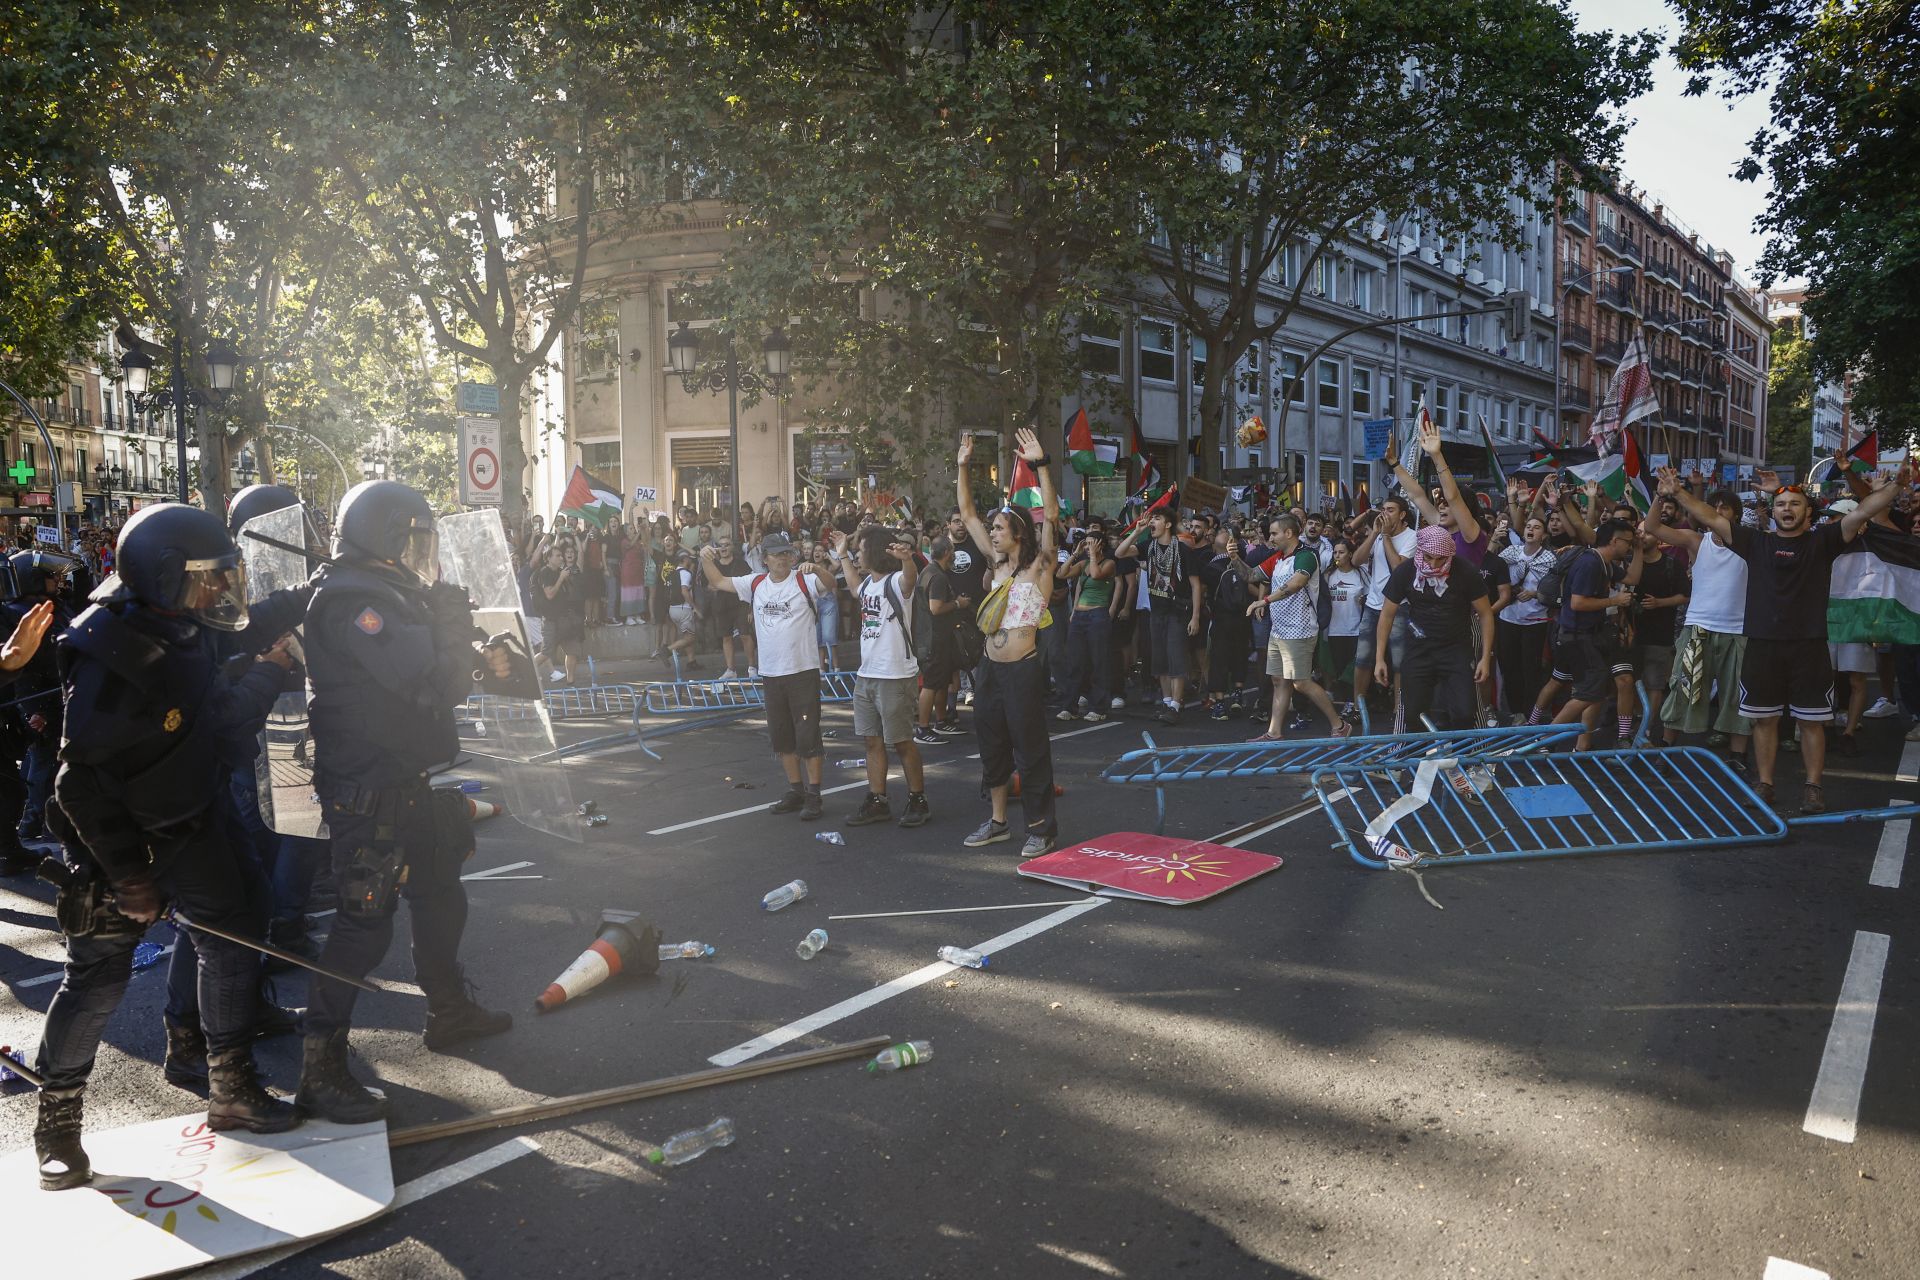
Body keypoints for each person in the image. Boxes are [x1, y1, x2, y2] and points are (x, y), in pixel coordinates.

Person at [33, 505, 299, 1191]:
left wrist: (308, 594)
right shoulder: (113, 653)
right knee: (97, 979)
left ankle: (230, 1086)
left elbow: (236, 632)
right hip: (119, 844)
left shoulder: (178, 620)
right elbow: (76, 784)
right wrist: (128, 877)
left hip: (191, 820)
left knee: (233, 936)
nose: (220, 591)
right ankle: (57, 1128)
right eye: (208, 578)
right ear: (164, 575)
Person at [297, 480, 510, 1125]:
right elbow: (431, 683)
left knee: (441, 888)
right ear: (382, 538)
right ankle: (320, 1068)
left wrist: (468, 639)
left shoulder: (386, 590)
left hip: (403, 777)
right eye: (413, 541)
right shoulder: (355, 600)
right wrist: (452, 630)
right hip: (366, 790)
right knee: (362, 926)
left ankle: (448, 1009)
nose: (423, 554)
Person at [1659, 464, 1898, 812]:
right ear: (1773, 512)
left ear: (1808, 512)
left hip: (1809, 646)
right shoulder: (1755, 542)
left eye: (1795, 504)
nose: (1787, 509)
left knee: (1812, 722)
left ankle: (1813, 787)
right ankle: (1765, 784)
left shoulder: (1823, 541)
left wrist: (1894, 487)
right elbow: (1710, 517)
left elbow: (1863, 512)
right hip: (1762, 645)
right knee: (1763, 720)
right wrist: (1678, 491)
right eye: (1782, 505)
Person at [954, 428, 1059, 856]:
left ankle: (1041, 828)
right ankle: (998, 822)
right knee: (992, 746)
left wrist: (1041, 465)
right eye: (993, 529)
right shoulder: (996, 565)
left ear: (1017, 532)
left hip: (1022, 670)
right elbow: (967, 513)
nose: (992, 533)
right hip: (989, 670)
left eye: (999, 528)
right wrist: (962, 465)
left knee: (1029, 750)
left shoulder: (1040, 566)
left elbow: (1051, 514)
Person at [698, 531, 837, 819]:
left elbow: (831, 584)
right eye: (776, 554)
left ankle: (814, 795)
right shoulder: (756, 583)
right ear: (765, 559)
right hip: (771, 673)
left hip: (802, 671)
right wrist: (705, 559)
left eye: (786, 553)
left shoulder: (803, 579)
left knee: (808, 736)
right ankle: (796, 790)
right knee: (782, 737)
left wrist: (818, 568)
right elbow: (718, 581)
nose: (782, 559)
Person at [829, 525, 930, 828]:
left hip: (895, 675)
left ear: (873, 552)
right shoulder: (869, 585)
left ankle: (918, 799)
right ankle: (877, 801)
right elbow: (853, 587)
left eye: (860, 550)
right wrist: (842, 555)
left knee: (901, 742)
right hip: (867, 675)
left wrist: (907, 559)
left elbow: (910, 579)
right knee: (871, 741)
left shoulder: (895, 581)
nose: (858, 556)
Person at [1375, 524, 1495, 730]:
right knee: (1413, 712)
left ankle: (1463, 749)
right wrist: (1379, 658)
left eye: (1441, 559)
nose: (1434, 564)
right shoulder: (1406, 571)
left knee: (1465, 711)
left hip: (1456, 648)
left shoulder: (1465, 571)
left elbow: (1485, 614)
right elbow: (1386, 615)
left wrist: (1485, 657)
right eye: (1429, 557)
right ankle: (1418, 749)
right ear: (1420, 552)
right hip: (1419, 648)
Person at [1250, 515, 1346, 740]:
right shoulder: (1277, 558)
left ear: (1288, 533)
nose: (1270, 538)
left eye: (1274, 533)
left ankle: (1340, 725)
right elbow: (1250, 575)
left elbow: (1297, 583)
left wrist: (1264, 601)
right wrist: (1234, 557)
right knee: (1279, 681)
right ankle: (1274, 733)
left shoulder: (1306, 556)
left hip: (1300, 629)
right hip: (1279, 629)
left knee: (1301, 683)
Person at [1548, 519, 1641, 749]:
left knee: (1594, 693)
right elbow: (1578, 603)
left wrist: (1639, 549)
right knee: (1585, 695)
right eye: (1628, 542)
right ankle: (1542, 739)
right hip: (1578, 636)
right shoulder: (1590, 563)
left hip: (1590, 635)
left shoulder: (1604, 563)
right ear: (1614, 541)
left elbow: (1632, 579)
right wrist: (1614, 600)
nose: (1629, 547)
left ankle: (1579, 746)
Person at [1117, 505, 1202, 724]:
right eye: (1151, 519)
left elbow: (1195, 585)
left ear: (1168, 524)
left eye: (1156, 518)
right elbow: (1120, 553)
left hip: (1177, 611)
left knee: (1176, 659)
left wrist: (1195, 617)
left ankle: (1176, 705)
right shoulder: (1148, 546)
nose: (1151, 522)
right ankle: (1166, 702)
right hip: (1157, 612)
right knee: (1160, 659)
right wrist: (1137, 531)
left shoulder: (1182, 550)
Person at [1350, 497, 1415, 716]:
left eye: (1391, 510)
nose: (1385, 514)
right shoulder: (1378, 535)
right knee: (1362, 658)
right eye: (1383, 509)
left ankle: (1399, 709)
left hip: (1399, 606)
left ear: (1402, 514)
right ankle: (1358, 707)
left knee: (1399, 661)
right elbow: (1356, 560)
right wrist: (1375, 534)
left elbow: (1399, 568)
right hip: (1373, 604)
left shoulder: (1412, 537)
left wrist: (1386, 536)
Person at [1495, 514, 1558, 722]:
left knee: (1531, 668)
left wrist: (1534, 594)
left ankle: (1531, 713)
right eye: (1528, 526)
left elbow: (1555, 591)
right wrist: (1494, 539)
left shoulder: (1550, 559)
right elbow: (1491, 567)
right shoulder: (1511, 552)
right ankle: (1516, 712)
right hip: (1508, 617)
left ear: (1544, 535)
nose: (1531, 529)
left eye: (1537, 527)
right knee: (1509, 666)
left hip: (1534, 620)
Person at [913, 536, 973, 743]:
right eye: (953, 551)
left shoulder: (929, 571)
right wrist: (958, 604)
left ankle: (941, 721)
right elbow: (936, 608)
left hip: (937, 637)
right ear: (947, 552)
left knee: (942, 681)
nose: (955, 554)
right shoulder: (937, 576)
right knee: (931, 683)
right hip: (934, 639)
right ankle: (923, 729)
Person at [1058, 526, 1118, 722]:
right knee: (1074, 662)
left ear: (1101, 545)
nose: (1088, 546)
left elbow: (1096, 574)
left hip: (1097, 615)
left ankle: (1099, 707)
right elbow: (1061, 573)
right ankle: (1070, 707)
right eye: (1086, 543)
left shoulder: (1109, 563)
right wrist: (1075, 554)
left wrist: (1092, 555)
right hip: (1080, 617)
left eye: (1092, 543)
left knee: (1098, 661)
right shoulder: (1082, 562)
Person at [707, 531, 759, 679]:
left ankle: (752, 667)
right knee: (726, 637)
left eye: (726, 545)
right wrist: (714, 586)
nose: (723, 548)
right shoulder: (714, 565)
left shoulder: (741, 563)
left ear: (732, 547)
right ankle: (731, 670)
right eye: (720, 545)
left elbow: (751, 585)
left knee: (745, 635)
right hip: (722, 606)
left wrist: (750, 609)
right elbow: (709, 585)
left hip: (740, 604)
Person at [536, 542, 586, 685]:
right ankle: (526, 673)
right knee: (546, 652)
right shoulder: (545, 572)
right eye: (557, 556)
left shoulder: (561, 571)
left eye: (560, 555)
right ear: (548, 558)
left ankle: (571, 682)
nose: (561, 558)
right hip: (551, 619)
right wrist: (561, 578)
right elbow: (550, 594)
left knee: (573, 650)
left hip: (565, 618)